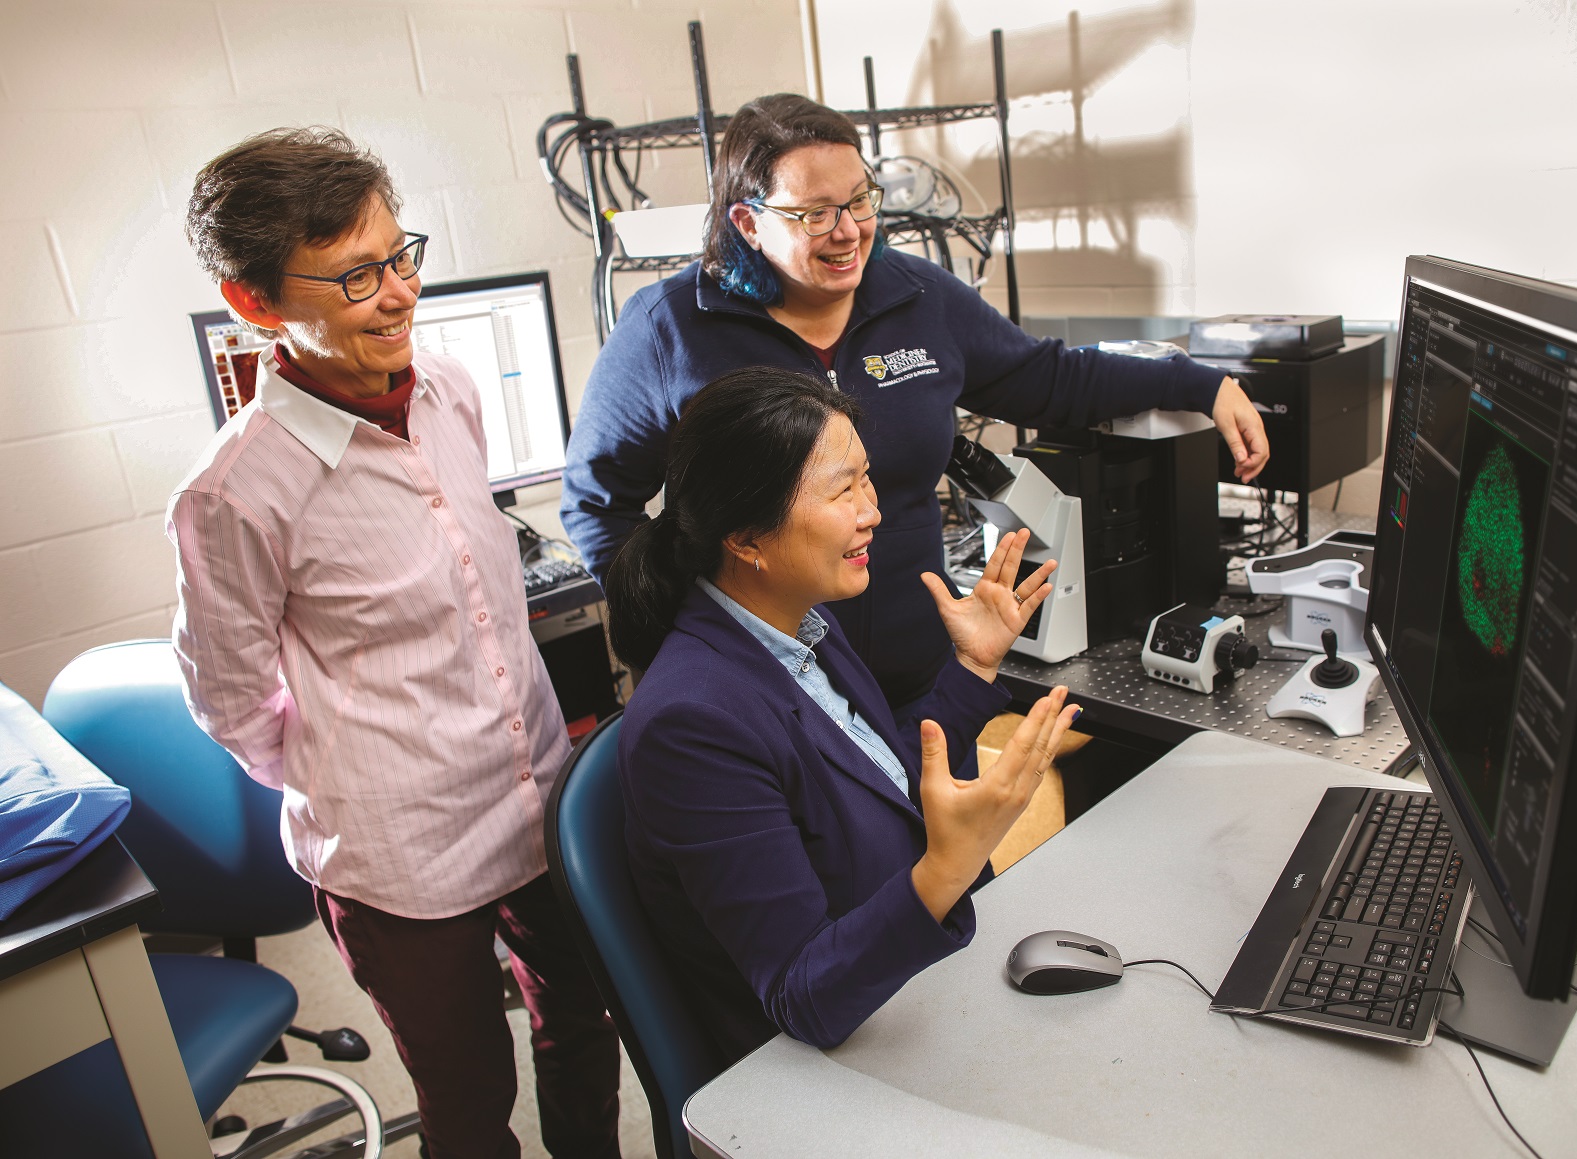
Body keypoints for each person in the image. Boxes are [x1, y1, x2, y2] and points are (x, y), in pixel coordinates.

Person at [169, 128, 620, 1159]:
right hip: (397, 855)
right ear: (255, 303)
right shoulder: (235, 492)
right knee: (467, 1098)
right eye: (356, 276)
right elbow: (232, 702)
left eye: (400, 256)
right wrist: (361, 765)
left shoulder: (452, 390)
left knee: (586, 1028)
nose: (396, 294)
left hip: (536, 794)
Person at [562, 91, 1271, 711]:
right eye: (815, 214)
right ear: (749, 224)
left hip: (919, 684)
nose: (848, 231)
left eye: (860, 201)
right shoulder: (669, 327)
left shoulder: (916, 296)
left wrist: (1199, 383)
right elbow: (596, 503)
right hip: (769, 700)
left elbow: (1053, 378)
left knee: (960, 866)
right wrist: (691, 630)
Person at [609, 366, 1079, 1060]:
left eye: (867, 478)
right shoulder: (690, 726)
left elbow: (878, 782)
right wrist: (945, 868)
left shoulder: (802, 626)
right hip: (830, 1067)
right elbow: (804, 995)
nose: (873, 510)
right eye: (843, 489)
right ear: (746, 538)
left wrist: (973, 666)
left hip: (919, 997)